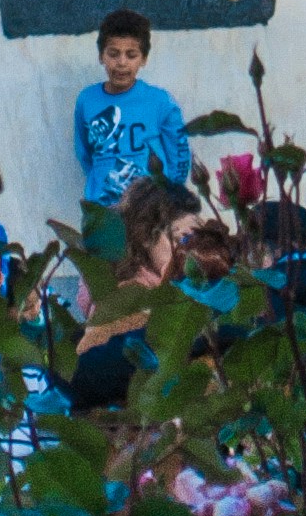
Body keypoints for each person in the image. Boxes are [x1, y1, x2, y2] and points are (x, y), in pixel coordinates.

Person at [65, 170, 209, 417]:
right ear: (145, 237)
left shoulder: (179, 289)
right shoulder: (128, 297)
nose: (193, 251)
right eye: (182, 239)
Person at [75, 9, 191, 214]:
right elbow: (84, 151)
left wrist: (171, 195)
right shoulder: (87, 100)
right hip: (103, 211)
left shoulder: (159, 101)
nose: (121, 62)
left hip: (150, 210)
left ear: (143, 58)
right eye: (113, 53)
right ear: (101, 55)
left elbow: (179, 152)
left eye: (131, 55)